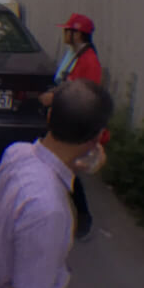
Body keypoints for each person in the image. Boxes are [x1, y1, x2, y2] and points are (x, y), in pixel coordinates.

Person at [0, 79, 113, 288]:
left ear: (49, 117)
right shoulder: (49, 211)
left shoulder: (16, 153)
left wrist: (78, 165)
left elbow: (49, 166)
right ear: (96, 138)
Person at [38, 13, 104, 239]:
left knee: (67, 172)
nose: (64, 34)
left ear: (77, 34)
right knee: (56, 168)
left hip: (73, 125)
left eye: (68, 30)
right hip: (63, 120)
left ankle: (84, 218)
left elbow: (85, 96)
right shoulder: (75, 55)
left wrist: (54, 99)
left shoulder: (89, 62)